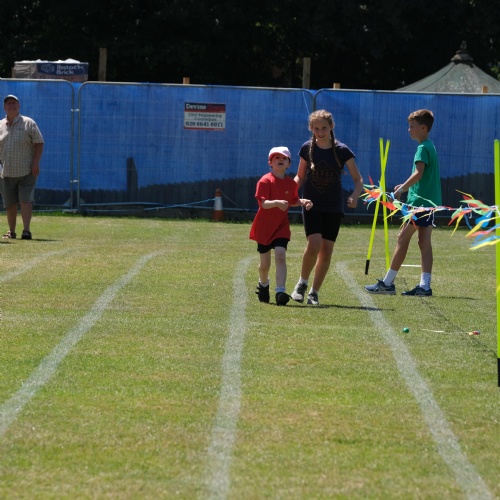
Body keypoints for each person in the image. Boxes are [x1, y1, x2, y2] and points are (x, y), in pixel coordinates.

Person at [365, 109, 441, 296]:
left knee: (402, 238)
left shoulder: (422, 148)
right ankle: (425, 286)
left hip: (420, 203)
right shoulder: (429, 146)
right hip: (428, 202)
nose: (409, 130)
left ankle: (388, 283)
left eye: (412, 126)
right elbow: (421, 176)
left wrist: (400, 190)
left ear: (423, 128)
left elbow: (418, 173)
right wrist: (405, 186)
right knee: (424, 242)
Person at [290, 109, 363, 305]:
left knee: (327, 250)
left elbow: (358, 180)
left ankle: (314, 292)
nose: (320, 132)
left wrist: (354, 196)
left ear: (331, 127)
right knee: (314, 244)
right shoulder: (307, 148)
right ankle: (301, 284)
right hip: (311, 204)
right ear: (311, 128)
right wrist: (289, 191)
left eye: (324, 127)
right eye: (316, 128)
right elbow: (300, 176)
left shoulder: (342, 151)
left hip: (333, 206)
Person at [250, 146, 313, 306]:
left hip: (281, 226)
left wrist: (303, 202)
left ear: (289, 164)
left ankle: (280, 292)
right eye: (277, 157)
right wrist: (277, 203)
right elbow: (263, 204)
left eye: (284, 158)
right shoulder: (265, 181)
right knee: (264, 265)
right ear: (270, 162)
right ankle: (263, 284)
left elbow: (292, 200)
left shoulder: (291, 184)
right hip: (264, 227)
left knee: (280, 255)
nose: (280, 160)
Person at [0, 94, 44, 240]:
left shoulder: (28, 123)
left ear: (19, 106)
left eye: (14, 103)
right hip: (6, 172)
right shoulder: (0, 125)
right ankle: (11, 231)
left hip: (27, 171)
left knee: (26, 200)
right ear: (4, 107)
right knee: (10, 204)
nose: (11, 106)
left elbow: (39, 143)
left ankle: (26, 231)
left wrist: (36, 162)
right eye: (8, 103)